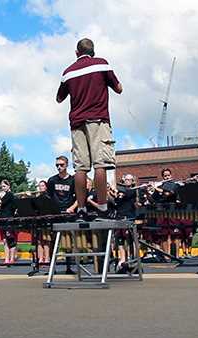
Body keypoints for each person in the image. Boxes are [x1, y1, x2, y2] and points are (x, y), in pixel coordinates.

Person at [56, 38, 122, 220]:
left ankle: (82, 208)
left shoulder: (68, 72)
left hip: (77, 123)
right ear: (93, 51)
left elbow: (59, 99)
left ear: (76, 53)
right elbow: (119, 88)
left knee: (80, 167)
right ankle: (102, 206)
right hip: (98, 119)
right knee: (100, 164)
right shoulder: (101, 64)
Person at [0, 180, 18, 266]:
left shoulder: (9, 195)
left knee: (11, 239)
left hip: (9, 218)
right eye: (2, 187)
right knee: (5, 240)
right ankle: (6, 259)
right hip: (3, 218)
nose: (3, 188)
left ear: (9, 186)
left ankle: (12, 258)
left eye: (4, 186)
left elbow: (2, 202)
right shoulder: (5, 195)